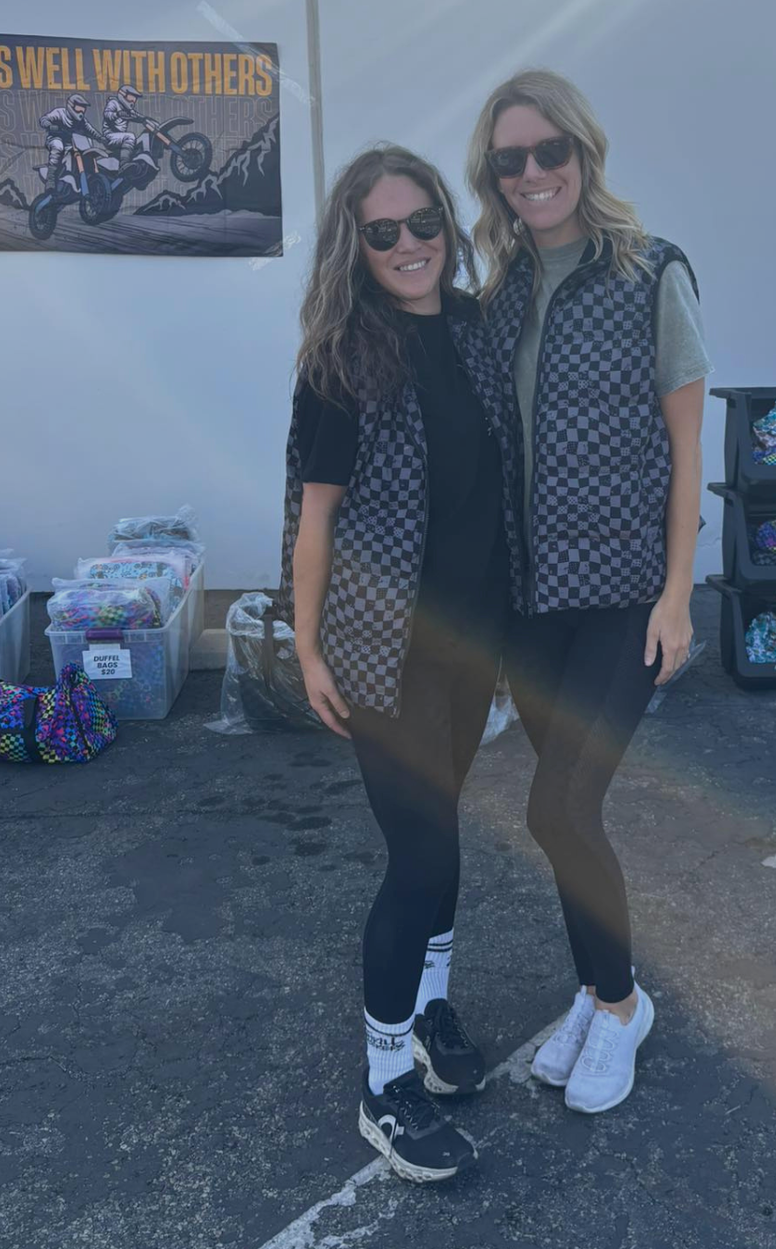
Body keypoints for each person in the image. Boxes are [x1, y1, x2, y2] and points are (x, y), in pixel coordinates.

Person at [466, 69, 712, 1115]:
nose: (531, 175)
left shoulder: (652, 273)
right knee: (561, 817)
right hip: (529, 605)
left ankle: (618, 1006)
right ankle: (597, 986)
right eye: (508, 160)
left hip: (619, 598)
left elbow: (687, 446)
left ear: (582, 153)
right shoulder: (497, 295)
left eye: (547, 153)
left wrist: (676, 593)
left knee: (560, 802)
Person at [276, 145, 523, 1182]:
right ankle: (384, 1085)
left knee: (448, 843)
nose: (411, 245)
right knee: (417, 859)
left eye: (425, 222)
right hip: (383, 655)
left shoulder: (474, 327)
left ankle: (426, 1013)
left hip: (474, 643)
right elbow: (314, 516)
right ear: (355, 242)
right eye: (385, 231)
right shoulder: (341, 355)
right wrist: (307, 641)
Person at [38, 93, 107, 197]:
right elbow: (43, 119)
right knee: (58, 147)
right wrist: (50, 126)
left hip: (73, 143)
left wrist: (101, 138)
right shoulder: (60, 113)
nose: (81, 112)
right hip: (56, 138)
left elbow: (91, 130)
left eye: (83, 110)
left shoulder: (82, 121)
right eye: (79, 109)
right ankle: (51, 180)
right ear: (71, 106)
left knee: (86, 154)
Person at [103, 84, 144, 171]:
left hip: (120, 137)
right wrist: (117, 114)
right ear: (123, 95)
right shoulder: (114, 103)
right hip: (109, 136)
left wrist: (145, 119)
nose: (133, 101)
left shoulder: (129, 110)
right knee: (130, 137)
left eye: (134, 99)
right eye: (131, 98)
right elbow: (107, 114)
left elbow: (137, 116)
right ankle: (124, 164)